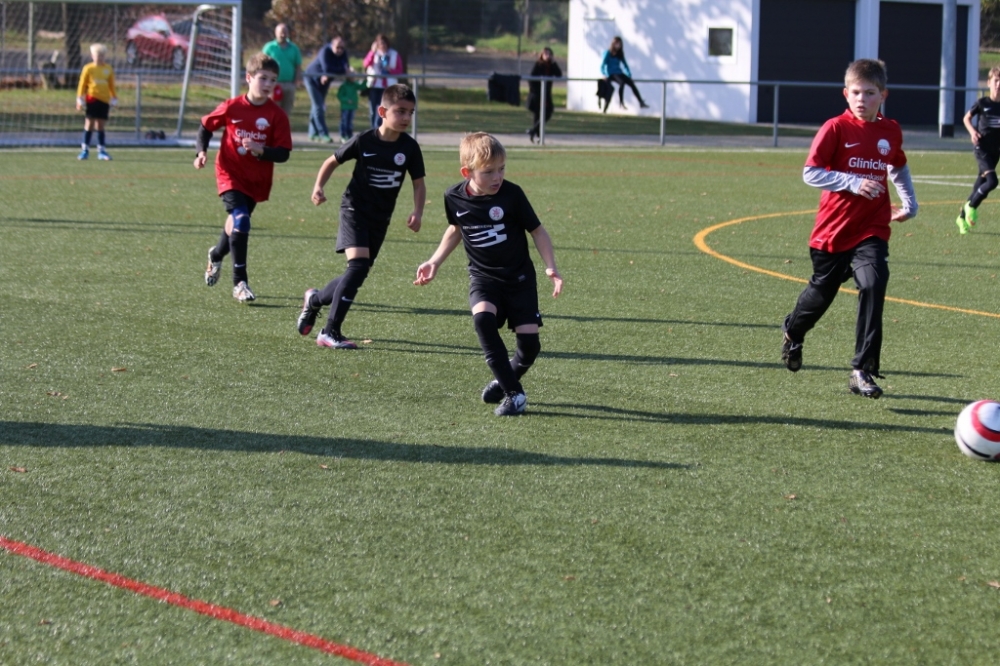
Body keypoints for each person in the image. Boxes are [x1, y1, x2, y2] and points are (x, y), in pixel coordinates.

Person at [780, 59, 917, 399]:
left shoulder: (890, 130)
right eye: (856, 92)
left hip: (872, 228)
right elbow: (811, 172)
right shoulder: (835, 128)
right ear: (846, 93)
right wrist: (853, 182)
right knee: (820, 295)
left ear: (882, 95)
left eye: (869, 93)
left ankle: (862, 369)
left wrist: (910, 203)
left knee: (873, 283)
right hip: (833, 231)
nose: (862, 99)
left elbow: (897, 166)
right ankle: (793, 332)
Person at [413, 132, 563, 416]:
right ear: (467, 172)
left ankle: (504, 380)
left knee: (529, 347)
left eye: (502, 169)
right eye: (489, 171)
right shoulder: (453, 196)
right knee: (483, 320)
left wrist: (551, 266)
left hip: (519, 280)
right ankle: (514, 394)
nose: (498, 177)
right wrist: (434, 261)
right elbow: (456, 229)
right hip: (483, 278)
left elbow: (538, 231)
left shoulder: (512, 194)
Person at [296, 83, 425, 348]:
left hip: (381, 217)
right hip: (354, 209)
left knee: (359, 271)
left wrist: (418, 211)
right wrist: (318, 187)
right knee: (357, 267)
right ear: (382, 111)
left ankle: (315, 300)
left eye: (410, 113)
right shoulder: (364, 140)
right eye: (400, 111)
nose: (406, 118)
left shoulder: (410, 148)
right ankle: (329, 331)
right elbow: (331, 161)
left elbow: (419, 184)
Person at [194, 53, 293, 303]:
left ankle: (216, 255)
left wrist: (262, 150)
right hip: (229, 173)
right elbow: (206, 126)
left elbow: (283, 153)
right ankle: (240, 283)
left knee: (238, 224)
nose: (268, 84)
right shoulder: (232, 107)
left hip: (256, 179)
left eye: (273, 79)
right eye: (263, 78)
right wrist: (201, 152)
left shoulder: (277, 115)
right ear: (249, 78)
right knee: (241, 219)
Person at [956, 66, 1000, 234]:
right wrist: (973, 132)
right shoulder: (983, 103)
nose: (998, 84)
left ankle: (961, 218)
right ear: (989, 83)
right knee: (992, 182)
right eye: (996, 81)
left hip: (995, 151)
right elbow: (966, 118)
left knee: (980, 186)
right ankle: (971, 206)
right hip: (982, 149)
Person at [303, 36, 351, 143]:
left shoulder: (343, 54)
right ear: (332, 45)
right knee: (318, 106)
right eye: (337, 47)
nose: (340, 50)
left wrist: (340, 70)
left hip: (325, 82)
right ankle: (323, 133)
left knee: (316, 107)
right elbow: (327, 68)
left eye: (342, 48)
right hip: (312, 79)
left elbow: (346, 67)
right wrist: (341, 70)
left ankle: (312, 133)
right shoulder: (325, 51)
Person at [75, 43, 117, 161]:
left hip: (104, 100)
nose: (100, 58)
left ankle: (101, 151)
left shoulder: (108, 69)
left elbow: (111, 85)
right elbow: (82, 84)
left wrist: (114, 97)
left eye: (102, 56)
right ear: (92, 56)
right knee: (89, 124)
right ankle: (85, 150)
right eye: (98, 56)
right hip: (92, 99)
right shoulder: (88, 68)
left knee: (100, 125)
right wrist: (79, 98)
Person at [363, 34, 403, 129]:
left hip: (387, 87)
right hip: (374, 85)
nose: (382, 45)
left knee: (384, 110)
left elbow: (400, 70)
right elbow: (366, 64)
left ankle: (381, 129)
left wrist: (391, 70)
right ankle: (373, 129)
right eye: (380, 43)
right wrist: (372, 52)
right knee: (373, 110)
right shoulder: (373, 53)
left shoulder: (394, 54)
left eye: (384, 43)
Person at [262, 23, 302, 117]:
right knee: (273, 111)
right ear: (276, 33)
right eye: (281, 32)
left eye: (285, 32)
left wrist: (296, 82)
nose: (283, 35)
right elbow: (262, 64)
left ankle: (284, 126)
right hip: (274, 84)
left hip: (289, 84)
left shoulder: (294, 48)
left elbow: (298, 66)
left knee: (286, 111)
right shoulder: (269, 47)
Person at [600, 36, 648, 112]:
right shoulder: (608, 53)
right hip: (611, 74)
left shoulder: (620, 54)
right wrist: (604, 74)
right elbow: (602, 65)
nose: (618, 46)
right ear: (613, 44)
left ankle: (641, 102)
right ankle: (621, 103)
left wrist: (629, 75)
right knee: (621, 83)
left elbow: (625, 65)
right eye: (617, 44)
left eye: (620, 44)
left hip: (619, 72)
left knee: (631, 84)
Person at [525, 47, 562, 143]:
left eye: (549, 54)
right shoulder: (538, 65)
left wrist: (554, 62)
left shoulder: (551, 66)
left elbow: (559, 74)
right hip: (537, 94)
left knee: (548, 112)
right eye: (545, 54)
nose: (547, 56)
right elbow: (531, 79)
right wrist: (536, 91)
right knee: (538, 114)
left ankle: (533, 131)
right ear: (542, 55)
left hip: (547, 94)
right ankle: (539, 137)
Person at [336, 74, 366, 142]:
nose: (354, 78)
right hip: (345, 107)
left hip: (352, 106)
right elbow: (340, 95)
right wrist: (347, 100)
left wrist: (365, 80)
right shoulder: (344, 86)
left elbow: (362, 87)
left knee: (350, 122)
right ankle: (343, 135)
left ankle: (349, 135)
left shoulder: (354, 85)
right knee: (344, 121)